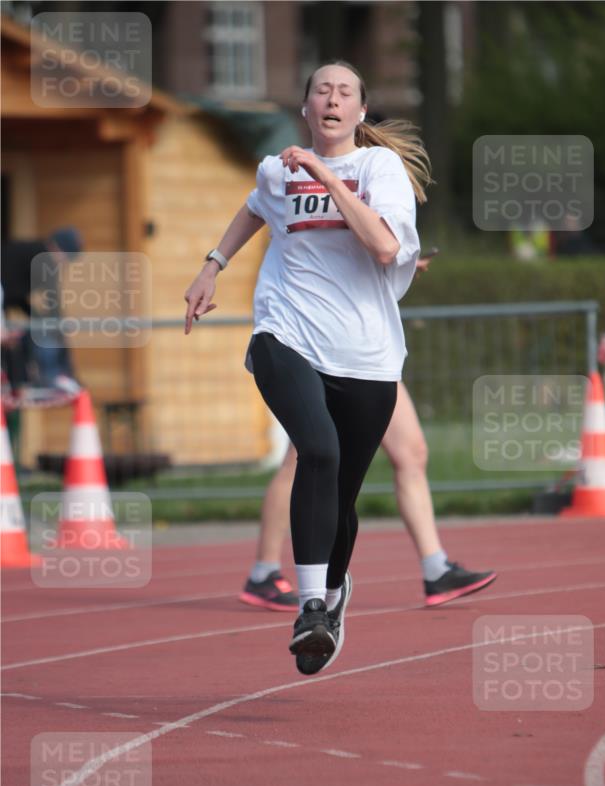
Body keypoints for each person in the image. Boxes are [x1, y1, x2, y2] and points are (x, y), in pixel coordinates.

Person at [185, 59, 430, 675]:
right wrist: (212, 264)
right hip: (286, 331)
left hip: (367, 354)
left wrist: (323, 171)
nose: (332, 98)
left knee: (342, 496)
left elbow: (382, 246)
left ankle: (335, 590)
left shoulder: (380, 169)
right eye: (321, 89)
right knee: (315, 451)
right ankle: (311, 606)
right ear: (305, 107)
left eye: (345, 90)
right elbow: (253, 209)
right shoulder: (277, 171)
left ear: (360, 111)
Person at [240, 253, 496, 613]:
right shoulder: (309, 200)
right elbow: (281, 224)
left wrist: (396, 260)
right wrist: (215, 261)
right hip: (317, 340)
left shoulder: (380, 200)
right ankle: (265, 571)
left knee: (410, 452)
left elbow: (372, 247)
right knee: (306, 458)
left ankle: (434, 566)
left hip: (365, 350)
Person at [0, 226, 84, 402]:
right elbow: (52, 300)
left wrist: (36, 316)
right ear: (57, 248)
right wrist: (57, 325)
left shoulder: (34, 253)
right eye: (67, 257)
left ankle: (26, 379)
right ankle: (51, 376)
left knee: (33, 329)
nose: (65, 263)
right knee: (45, 331)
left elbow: (14, 294)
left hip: (6, 298)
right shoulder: (44, 258)